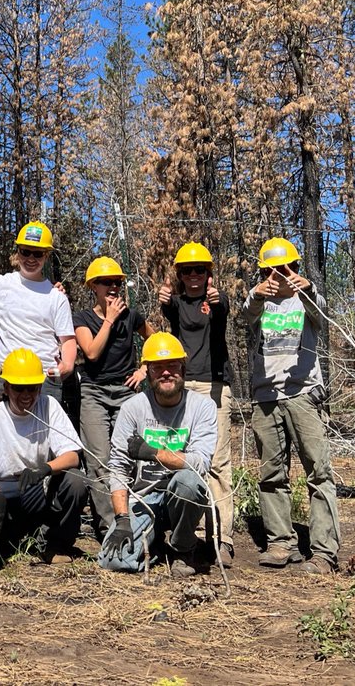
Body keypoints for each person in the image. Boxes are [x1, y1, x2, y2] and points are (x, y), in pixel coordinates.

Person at [241, 237, 340, 574]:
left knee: (319, 471)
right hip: (266, 397)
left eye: (287, 268)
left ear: (297, 267)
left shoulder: (307, 299)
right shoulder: (259, 301)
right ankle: (280, 542)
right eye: (273, 271)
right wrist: (258, 292)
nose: (281, 276)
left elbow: (322, 315)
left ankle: (323, 552)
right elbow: (245, 314)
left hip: (304, 394)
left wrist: (307, 289)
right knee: (271, 474)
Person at [0, 348, 86, 565]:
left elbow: (73, 456)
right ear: (6, 388)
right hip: (3, 489)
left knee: (76, 481)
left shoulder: (50, 406)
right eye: (18, 388)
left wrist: (45, 468)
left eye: (31, 388)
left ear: (40, 387)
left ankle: (55, 544)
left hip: (38, 485)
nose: (26, 395)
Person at [97, 333, 217, 577]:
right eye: (158, 367)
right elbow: (118, 467)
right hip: (142, 500)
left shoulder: (202, 407)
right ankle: (156, 544)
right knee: (113, 561)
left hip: (181, 497)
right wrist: (122, 520)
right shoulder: (133, 408)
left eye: (172, 365)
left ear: (183, 368)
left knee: (189, 481)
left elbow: (200, 463)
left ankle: (183, 548)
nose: (166, 372)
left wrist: (153, 453)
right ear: (147, 372)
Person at [157, 241, 235, 567]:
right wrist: (162, 300)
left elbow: (222, 309)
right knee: (183, 459)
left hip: (214, 386)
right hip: (181, 388)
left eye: (199, 270)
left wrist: (218, 301)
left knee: (217, 462)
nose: (193, 276)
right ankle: (187, 534)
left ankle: (222, 538)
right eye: (187, 270)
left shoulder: (217, 301)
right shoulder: (174, 304)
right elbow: (167, 311)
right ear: (179, 275)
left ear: (208, 274)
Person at [73, 256, 154, 536]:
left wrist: (144, 369)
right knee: (99, 459)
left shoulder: (132, 317)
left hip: (126, 392)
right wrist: (108, 320)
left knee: (129, 455)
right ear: (93, 286)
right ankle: (109, 526)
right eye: (107, 283)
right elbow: (91, 352)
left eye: (117, 283)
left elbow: (154, 342)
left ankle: (135, 518)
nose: (113, 288)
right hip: (94, 391)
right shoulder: (82, 318)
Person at [0, 221, 77, 406]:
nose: (31, 258)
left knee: (44, 434)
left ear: (46, 256)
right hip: (3, 376)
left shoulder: (57, 297)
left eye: (38, 253)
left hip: (44, 378)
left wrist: (68, 365)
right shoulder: (0, 286)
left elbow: (68, 340)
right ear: (18, 252)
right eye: (25, 251)